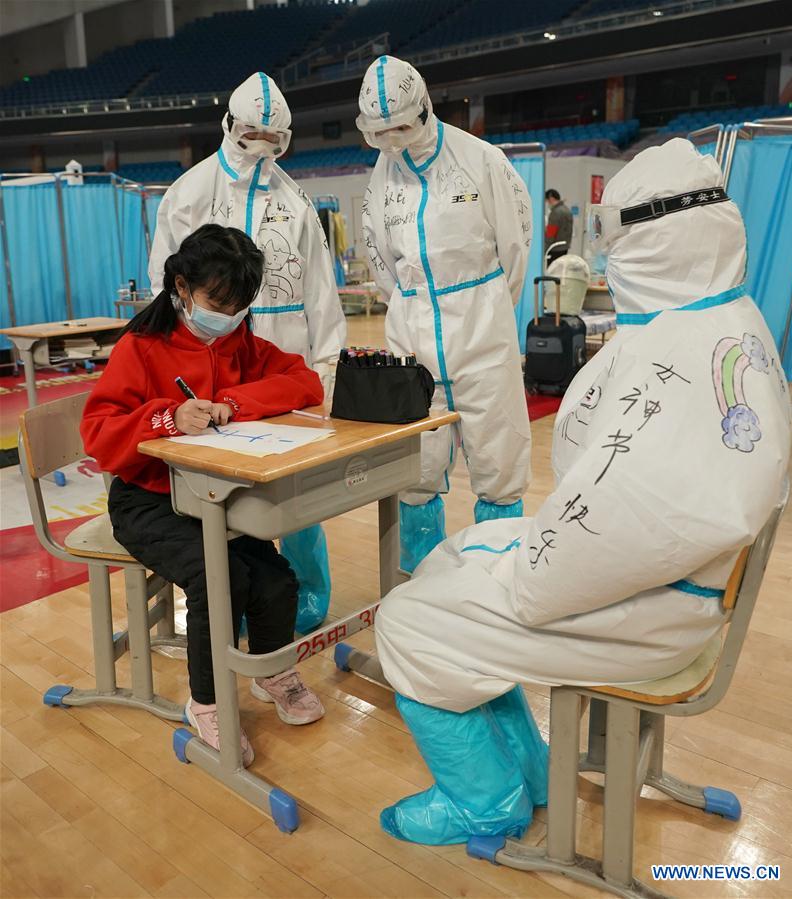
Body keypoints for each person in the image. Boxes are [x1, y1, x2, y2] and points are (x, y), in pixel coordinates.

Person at [372, 138, 792, 845]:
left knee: (404, 621)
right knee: (452, 557)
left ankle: (486, 799)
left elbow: (579, 550)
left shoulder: (678, 353)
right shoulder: (716, 320)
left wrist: (516, 568)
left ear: (652, 241)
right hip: (662, 578)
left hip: (653, 606)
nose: (603, 261)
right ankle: (531, 767)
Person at [82, 224, 327, 766]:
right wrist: (166, 417)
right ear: (181, 287)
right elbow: (99, 432)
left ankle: (270, 670)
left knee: (275, 576)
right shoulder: (141, 347)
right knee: (221, 579)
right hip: (146, 499)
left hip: (213, 497)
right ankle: (208, 702)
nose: (228, 317)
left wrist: (234, 402)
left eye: (239, 307)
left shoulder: (236, 341)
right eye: (218, 302)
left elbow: (304, 383)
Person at [148, 72, 346, 633]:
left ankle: (303, 594)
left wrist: (326, 362)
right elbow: (166, 282)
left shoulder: (296, 199)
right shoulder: (187, 193)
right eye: (252, 134)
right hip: (210, 362)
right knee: (223, 490)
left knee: (297, 488)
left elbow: (322, 288)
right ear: (229, 126)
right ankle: (226, 594)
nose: (261, 147)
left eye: (274, 139)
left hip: (283, 364)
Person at [358, 55, 532, 573]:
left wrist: (488, 314)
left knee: (499, 466)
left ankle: (493, 579)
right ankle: (423, 580)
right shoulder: (381, 178)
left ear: (425, 109)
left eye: (401, 128)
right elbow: (381, 260)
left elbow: (515, 251)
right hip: (412, 344)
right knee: (416, 471)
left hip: (483, 338)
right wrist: (411, 309)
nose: (392, 140)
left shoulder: (481, 160)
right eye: (380, 132)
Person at [545, 188, 572, 262]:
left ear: (551, 198)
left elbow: (550, 233)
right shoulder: (567, 210)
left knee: (552, 272)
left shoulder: (555, 213)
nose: (547, 203)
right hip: (564, 248)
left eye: (547, 201)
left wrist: (543, 250)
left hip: (554, 249)